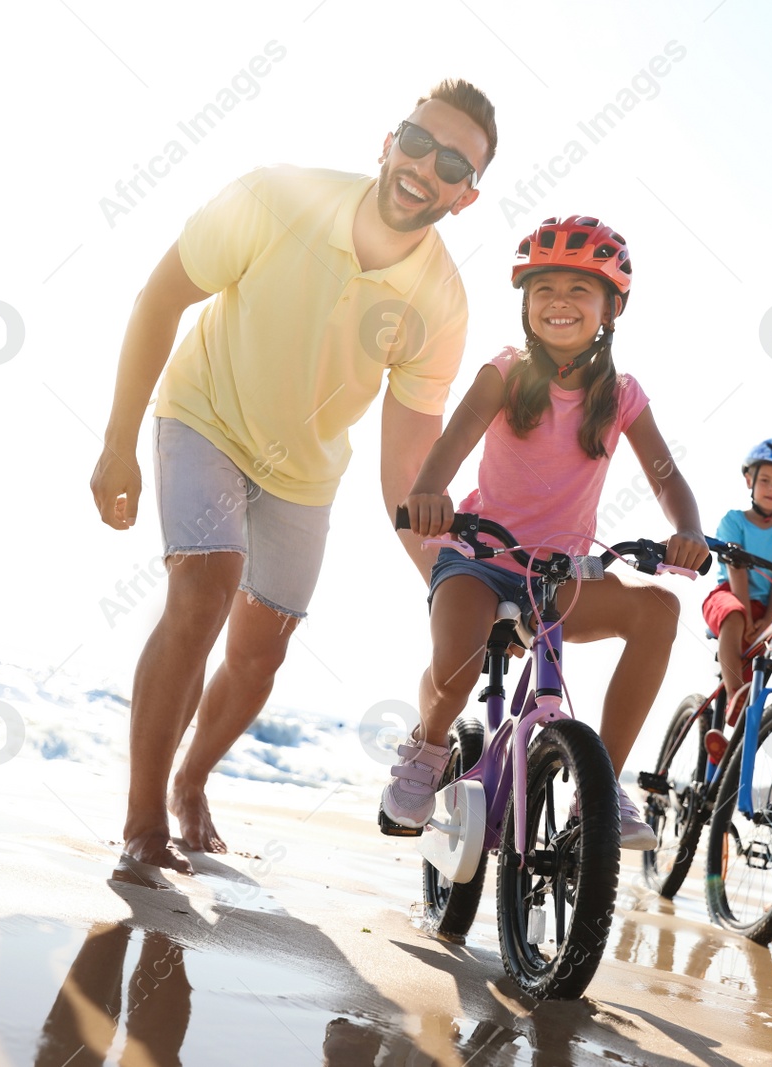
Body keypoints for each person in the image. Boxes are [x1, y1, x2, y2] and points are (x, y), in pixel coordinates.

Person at [89, 79, 498, 874]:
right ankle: (143, 826)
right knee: (206, 586)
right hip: (204, 413)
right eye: (418, 140)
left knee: (260, 652)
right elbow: (158, 299)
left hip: (305, 471)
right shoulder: (276, 199)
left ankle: (190, 782)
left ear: (467, 195)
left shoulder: (441, 304)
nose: (426, 166)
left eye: (452, 162)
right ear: (388, 141)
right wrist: (118, 441)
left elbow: (407, 464)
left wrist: (445, 574)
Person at [390, 215, 711, 847]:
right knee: (456, 665)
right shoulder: (506, 371)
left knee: (657, 611)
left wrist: (689, 529)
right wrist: (429, 491)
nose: (559, 303)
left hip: (558, 575)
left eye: (578, 291)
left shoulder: (621, 395)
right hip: (478, 557)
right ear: (525, 304)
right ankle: (427, 750)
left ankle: (601, 789)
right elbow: (452, 444)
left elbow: (667, 478)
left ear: (611, 308)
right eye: (544, 291)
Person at [701, 440, 772, 709]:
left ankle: (736, 719)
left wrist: (771, 617)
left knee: (758, 674)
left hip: (766, 608)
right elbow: (736, 569)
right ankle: (734, 695)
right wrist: (747, 614)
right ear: (750, 480)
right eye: (766, 480)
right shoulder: (734, 520)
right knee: (734, 616)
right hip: (730, 596)